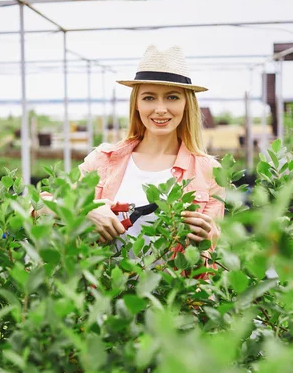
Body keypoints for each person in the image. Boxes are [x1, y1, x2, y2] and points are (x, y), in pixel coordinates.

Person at [79, 45, 225, 253]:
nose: (160, 109)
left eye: (172, 97)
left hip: (175, 285)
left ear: (187, 104)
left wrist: (205, 235)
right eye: (149, 97)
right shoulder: (103, 159)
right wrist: (86, 210)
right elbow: (40, 206)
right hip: (106, 283)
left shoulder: (209, 171)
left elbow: (209, 255)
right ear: (136, 104)